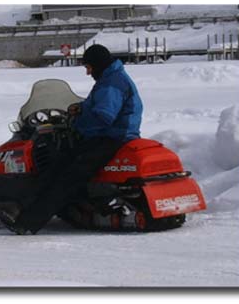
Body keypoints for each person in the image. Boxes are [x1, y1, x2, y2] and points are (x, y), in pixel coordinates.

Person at [12, 44, 143, 235]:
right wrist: (80, 108)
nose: (88, 72)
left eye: (89, 67)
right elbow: (98, 107)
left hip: (111, 137)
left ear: (98, 65)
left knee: (69, 176)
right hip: (111, 135)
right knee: (61, 161)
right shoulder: (110, 78)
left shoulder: (112, 83)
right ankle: (64, 209)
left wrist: (78, 126)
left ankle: (29, 223)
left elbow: (104, 117)